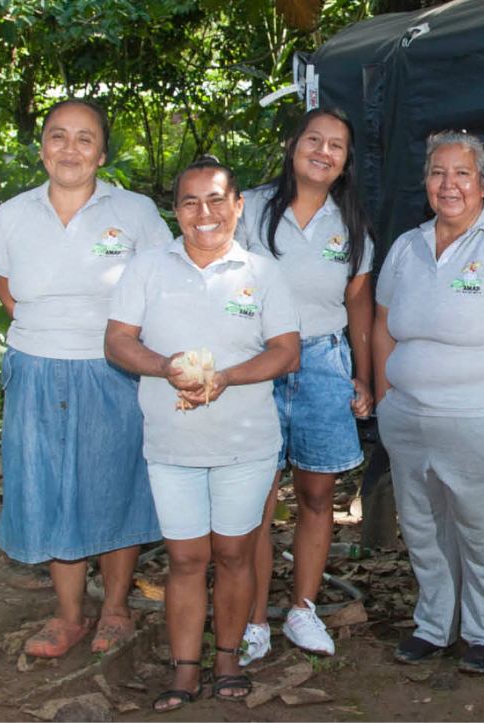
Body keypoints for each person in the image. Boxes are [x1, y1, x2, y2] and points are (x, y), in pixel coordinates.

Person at [104, 157, 300, 712]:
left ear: (238, 206)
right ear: (176, 211)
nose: (204, 213)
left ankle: (228, 657)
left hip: (245, 441)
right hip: (171, 444)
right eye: (190, 202)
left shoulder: (262, 272)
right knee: (186, 558)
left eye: (216, 200)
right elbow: (117, 341)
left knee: (235, 554)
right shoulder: (147, 268)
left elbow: (287, 351)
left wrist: (226, 379)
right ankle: (184, 666)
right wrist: (166, 365)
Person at [0, 99, 172, 658]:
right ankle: (68, 615)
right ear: (41, 146)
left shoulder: (136, 211)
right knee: (48, 488)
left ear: (103, 152)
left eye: (84, 139)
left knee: (114, 484)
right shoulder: (12, 214)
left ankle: (115, 609)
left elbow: (164, 282)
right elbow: (5, 286)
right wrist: (50, 338)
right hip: (37, 368)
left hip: (113, 370)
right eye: (58, 136)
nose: (70, 149)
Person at [372, 131, 484, 675]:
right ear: (426, 182)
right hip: (407, 420)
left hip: (480, 419)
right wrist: (387, 397)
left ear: (483, 184)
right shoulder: (406, 247)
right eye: (437, 172)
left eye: (462, 173)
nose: (448, 184)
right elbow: (383, 328)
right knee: (425, 529)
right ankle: (434, 625)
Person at [235, 108, 376, 663]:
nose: (323, 151)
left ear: (345, 162)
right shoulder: (249, 208)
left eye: (336, 146)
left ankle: (302, 610)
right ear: (293, 146)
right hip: (258, 364)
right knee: (257, 500)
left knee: (318, 496)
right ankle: (251, 619)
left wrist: (363, 375)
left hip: (323, 362)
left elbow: (358, 301)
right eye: (313, 140)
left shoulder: (353, 220)